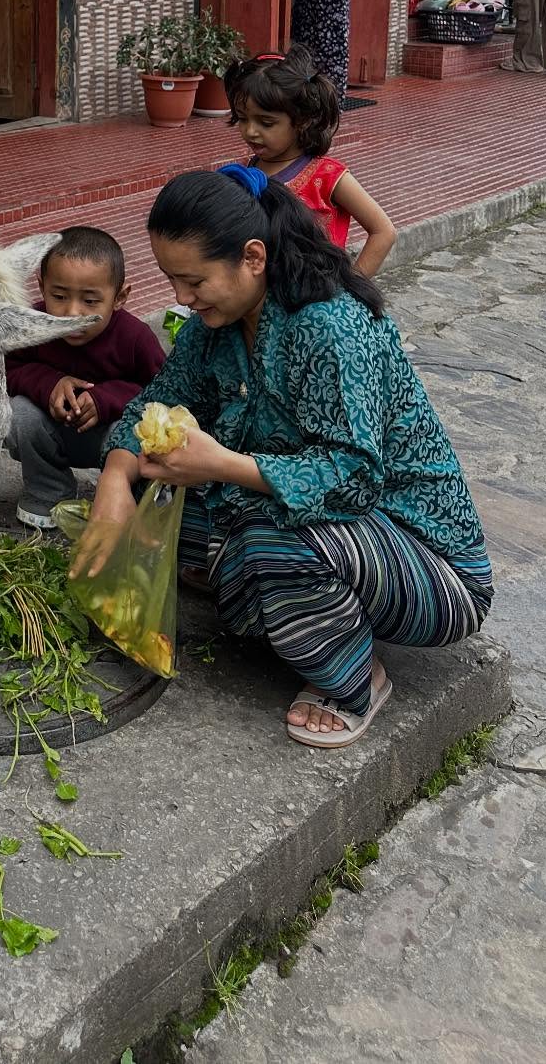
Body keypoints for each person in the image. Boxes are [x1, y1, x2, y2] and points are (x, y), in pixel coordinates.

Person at [72, 167, 491, 749]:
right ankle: (262, 585)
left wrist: (221, 465)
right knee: (145, 500)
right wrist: (115, 481)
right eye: (172, 280)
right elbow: (151, 406)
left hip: (427, 564)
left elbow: (354, 480)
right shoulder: (211, 327)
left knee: (269, 540)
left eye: (193, 280)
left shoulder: (328, 325)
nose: (181, 298)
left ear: (252, 256)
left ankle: (353, 680)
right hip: (320, 523)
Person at [5, 226, 166, 531]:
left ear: (120, 297)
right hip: (53, 433)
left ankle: (127, 492)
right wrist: (51, 383)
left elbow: (162, 391)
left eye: (91, 301)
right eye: (59, 296)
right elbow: (9, 371)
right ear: (42, 288)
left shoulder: (135, 338)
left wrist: (106, 399)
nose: (73, 313)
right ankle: (48, 489)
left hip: (112, 441)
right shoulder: (33, 326)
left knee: (140, 427)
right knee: (20, 412)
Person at [225, 47, 396, 274]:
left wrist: (352, 291)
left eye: (266, 123)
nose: (251, 131)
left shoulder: (328, 176)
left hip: (317, 299)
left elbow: (383, 231)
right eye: (243, 119)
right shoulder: (250, 169)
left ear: (303, 120)